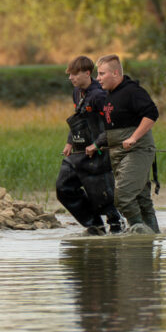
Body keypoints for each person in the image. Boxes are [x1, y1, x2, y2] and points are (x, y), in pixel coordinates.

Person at [86, 54, 160, 234]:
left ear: (116, 73)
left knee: (123, 197)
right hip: (118, 153)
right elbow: (112, 127)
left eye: (102, 74)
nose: (97, 78)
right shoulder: (109, 95)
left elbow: (152, 114)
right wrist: (98, 144)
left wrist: (134, 137)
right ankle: (153, 236)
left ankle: (138, 231)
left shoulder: (133, 91)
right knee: (142, 199)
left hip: (137, 150)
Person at [56, 55, 123, 235]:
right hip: (79, 150)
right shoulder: (77, 92)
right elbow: (78, 118)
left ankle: (116, 225)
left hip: (99, 151)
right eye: (69, 74)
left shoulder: (100, 95)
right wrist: (70, 142)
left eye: (74, 74)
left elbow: (112, 124)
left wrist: (97, 144)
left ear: (87, 73)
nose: (70, 78)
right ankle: (94, 225)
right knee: (63, 187)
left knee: (101, 195)